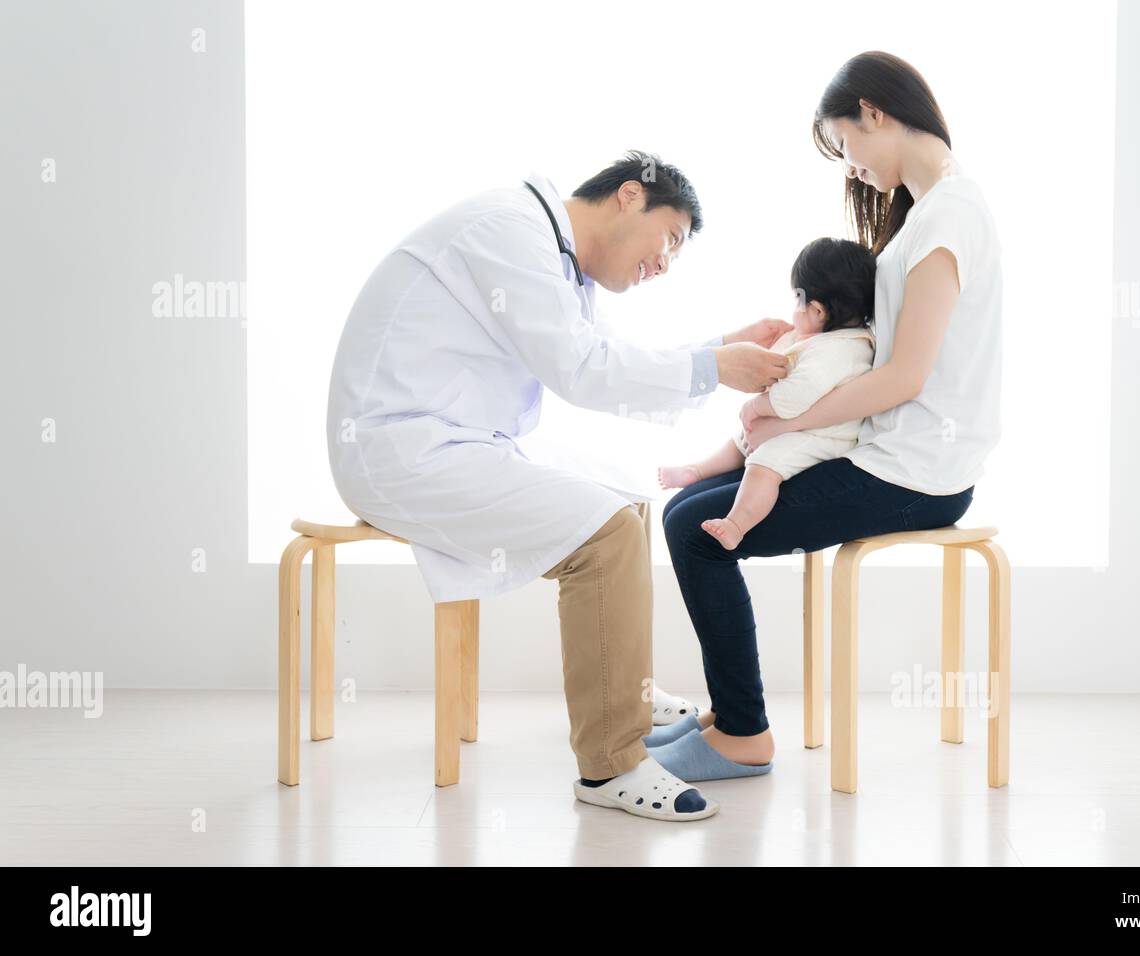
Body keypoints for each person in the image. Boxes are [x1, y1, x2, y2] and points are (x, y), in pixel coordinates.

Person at [326, 151, 791, 822]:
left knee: (625, 493)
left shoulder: (553, 256)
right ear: (630, 196)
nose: (665, 263)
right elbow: (584, 370)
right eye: (671, 239)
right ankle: (611, 767)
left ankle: (624, 698)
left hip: (450, 436)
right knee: (604, 536)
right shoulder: (510, 232)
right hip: (397, 448)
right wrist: (715, 365)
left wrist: (719, 348)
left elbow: (601, 357)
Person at [646, 51, 1003, 783]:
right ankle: (729, 715)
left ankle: (744, 735)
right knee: (689, 508)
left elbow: (904, 376)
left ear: (874, 113)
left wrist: (787, 427)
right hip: (888, 452)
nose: (850, 168)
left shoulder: (949, 216)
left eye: (845, 145)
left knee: (692, 530)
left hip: (918, 470)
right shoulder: (929, 215)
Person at [657, 237, 877, 551]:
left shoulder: (839, 351)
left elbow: (794, 397)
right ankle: (698, 470)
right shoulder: (825, 339)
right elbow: (784, 369)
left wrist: (756, 406)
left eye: (796, 299)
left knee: (764, 464)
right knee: (741, 440)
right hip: (801, 426)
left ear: (816, 311)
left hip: (823, 439)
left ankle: (736, 523)